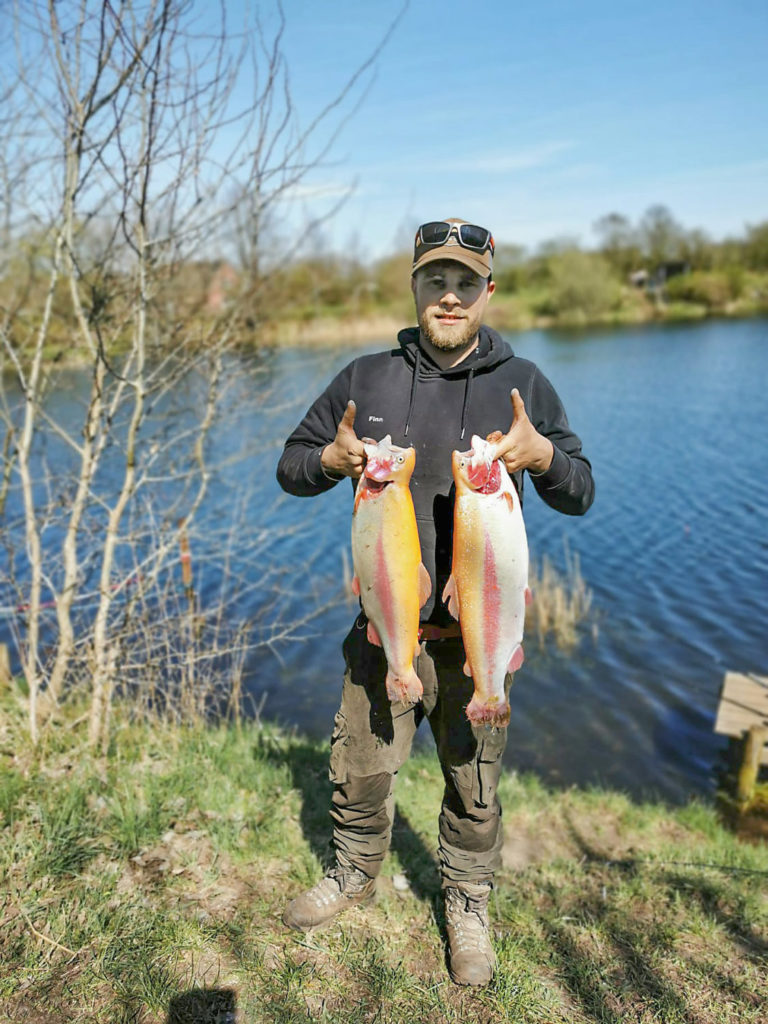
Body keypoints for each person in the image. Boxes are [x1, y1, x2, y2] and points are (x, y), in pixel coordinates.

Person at [275, 218, 594, 986]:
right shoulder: (364, 379)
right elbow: (291, 467)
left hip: (477, 636)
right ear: (415, 287)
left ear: (489, 290)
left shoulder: (523, 385)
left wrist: (543, 454)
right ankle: (353, 871)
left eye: (464, 283)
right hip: (385, 625)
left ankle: (467, 902)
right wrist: (331, 457)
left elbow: (579, 492)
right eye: (433, 281)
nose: (448, 297)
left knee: (472, 781)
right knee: (358, 765)